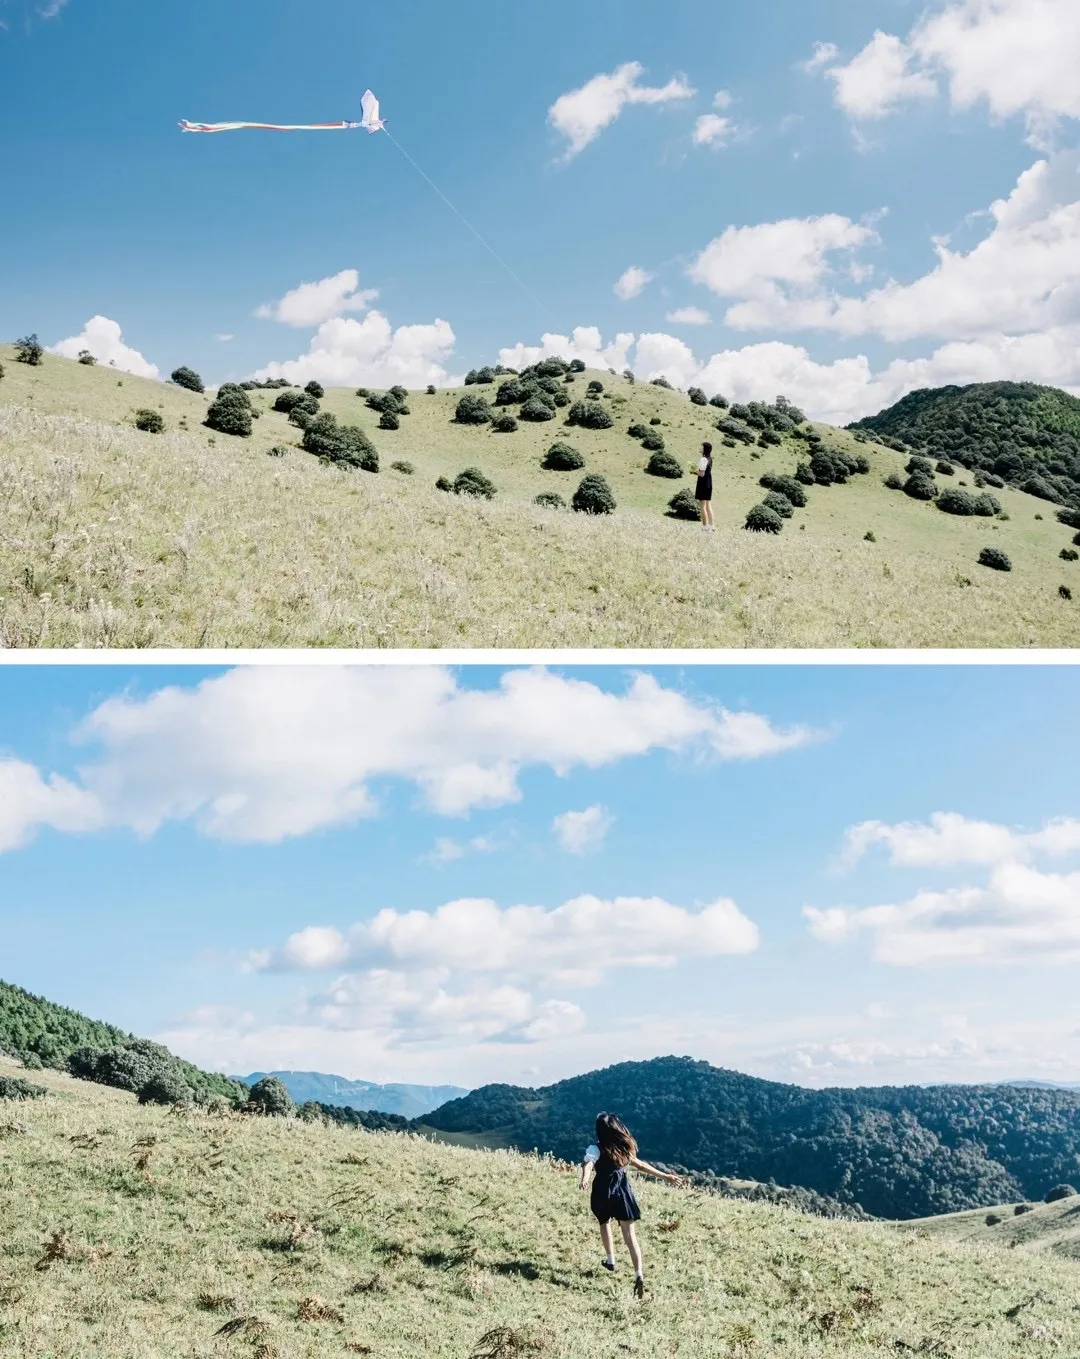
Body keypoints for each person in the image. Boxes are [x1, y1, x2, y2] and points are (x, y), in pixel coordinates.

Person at [579, 1112, 684, 1298]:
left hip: (603, 1191)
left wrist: (585, 1178)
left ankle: (611, 1260)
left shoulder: (596, 1148)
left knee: (604, 1222)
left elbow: (588, 1164)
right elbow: (641, 1165)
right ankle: (639, 1274)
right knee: (630, 1236)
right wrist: (666, 1176)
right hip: (623, 1192)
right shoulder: (624, 1149)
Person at [692, 442, 715, 531]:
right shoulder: (709, 459)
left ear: (705, 449)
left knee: (702, 507)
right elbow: (705, 473)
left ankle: (705, 527)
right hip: (709, 483)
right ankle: (712, 526)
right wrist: (695, 472)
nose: (699, 448)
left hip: (703, 484)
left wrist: (694, 470)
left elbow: (701, 474)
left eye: (701, 446)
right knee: (708, 506)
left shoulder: (703, 459)